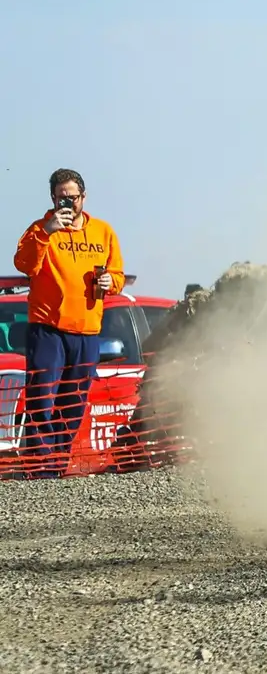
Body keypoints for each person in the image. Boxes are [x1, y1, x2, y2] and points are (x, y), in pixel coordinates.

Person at [12, 169, 124, 476]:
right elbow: (23, 264)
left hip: (87, 330)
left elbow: (118, 276)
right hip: (48, 328)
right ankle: (39, 470)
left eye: (72, 197)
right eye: (61, 197)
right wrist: (47, 232)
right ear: (52, 198)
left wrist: (109, 281)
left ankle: (58, 464)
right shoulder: (39, 229)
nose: (67, 202)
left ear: (83, 198)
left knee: (73, 406)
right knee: (42, 401)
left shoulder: (103, 231)